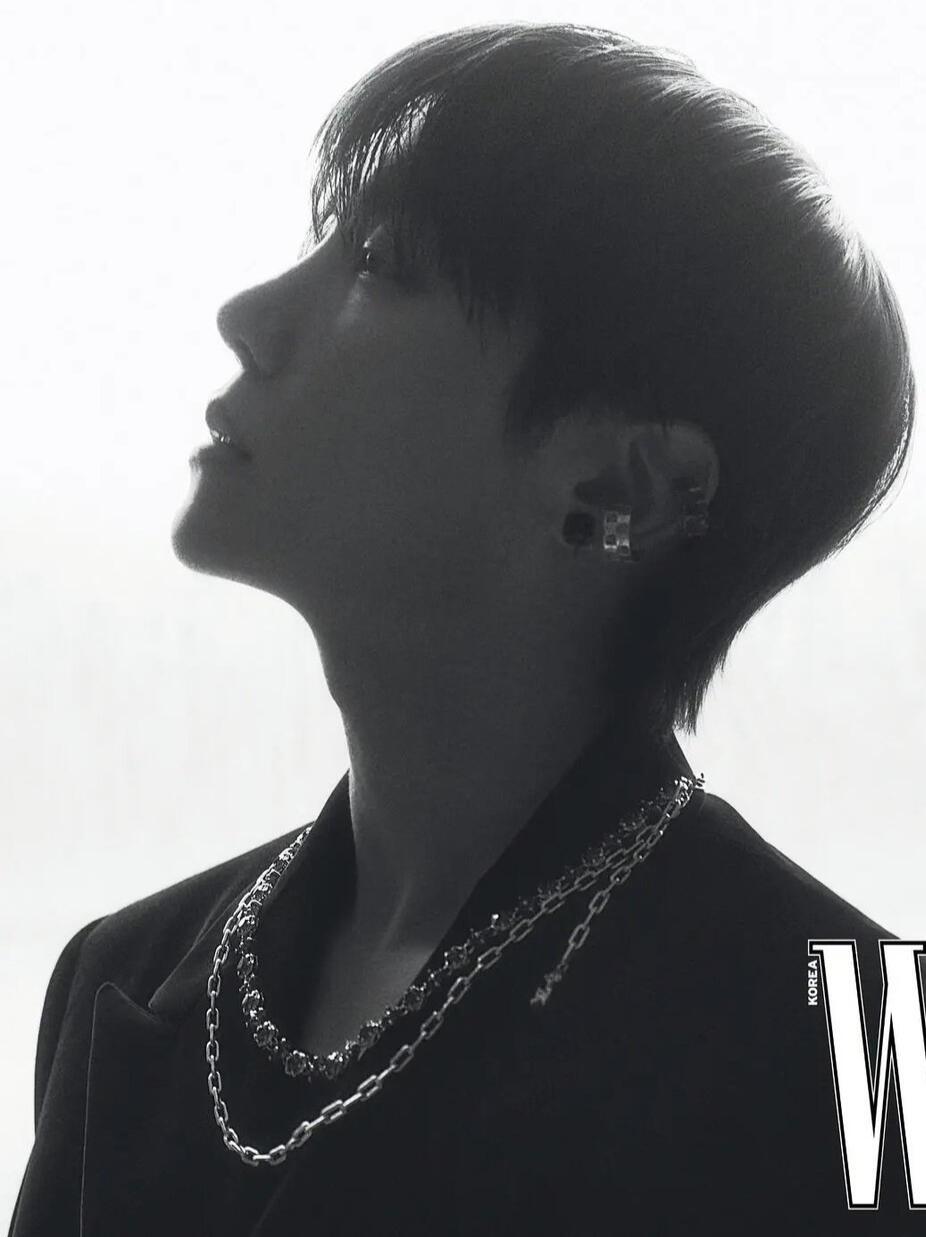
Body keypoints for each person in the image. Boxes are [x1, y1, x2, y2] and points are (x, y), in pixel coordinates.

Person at [9, 22, 918, 1236]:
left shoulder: (869, 1040)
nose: (246, 313)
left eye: (379, 262)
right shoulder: (123, 971)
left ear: (623, 488)